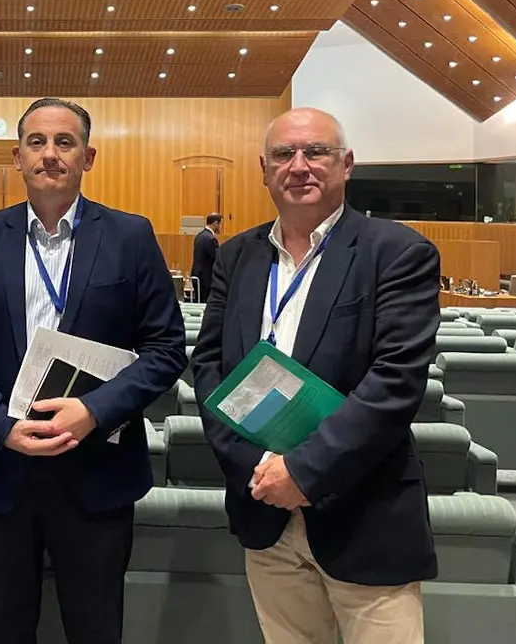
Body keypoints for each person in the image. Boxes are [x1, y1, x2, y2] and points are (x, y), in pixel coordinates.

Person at [0, 97, 187, 644]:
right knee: (4, 627)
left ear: (87, 157)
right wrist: (2, 425)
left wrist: (94, 411)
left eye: (64, 142)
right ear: (17, 157)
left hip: (97, 470)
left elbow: (166, 348)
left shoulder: (130, 236)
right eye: (37, 142)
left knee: (96, 629)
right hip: (3, 469)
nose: (50, 154)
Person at [191, 107, 438, 644]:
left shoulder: (396, 252)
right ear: (264, 169)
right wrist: (259, 468)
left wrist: (303, 472)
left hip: (363, 512)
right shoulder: (236, 256)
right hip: (264, 511)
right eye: (284, 154)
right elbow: (209, 368)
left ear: (346, 164)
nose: (299, 166)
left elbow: (395, 382)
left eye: (316, 152)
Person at [191, 212, 223, 302]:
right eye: (220, 224)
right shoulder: (210, 239)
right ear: (215, 223)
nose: (221, 227)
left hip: (197, 276)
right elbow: (217, 258)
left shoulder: (199, 236)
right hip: (206, 279)